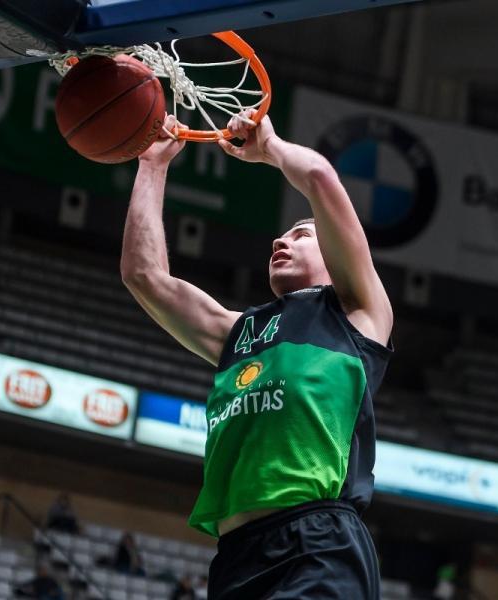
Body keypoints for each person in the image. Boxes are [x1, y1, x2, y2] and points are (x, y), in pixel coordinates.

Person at [121, 110, 393, 599]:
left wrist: (269, 147)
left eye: (301, 234)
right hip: (237, 558)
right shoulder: (240, 332)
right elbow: (145, 277)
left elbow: (319, 178)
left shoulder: (357, 314)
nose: (279, 240)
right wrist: (151, 166)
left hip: (318, 543)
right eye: (282, 234)